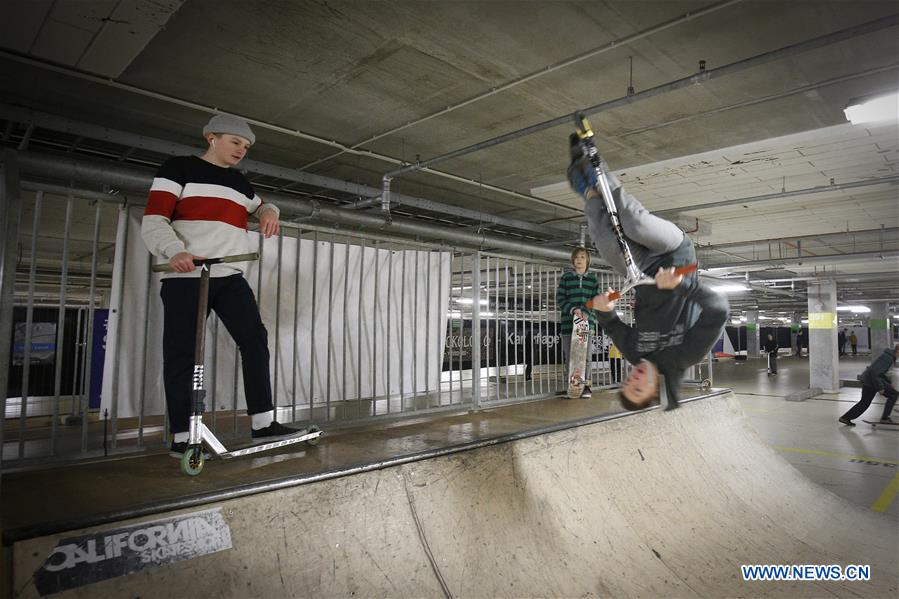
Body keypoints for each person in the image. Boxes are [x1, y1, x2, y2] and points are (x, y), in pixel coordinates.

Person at [142, 114, 306, 457]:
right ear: (212, 138)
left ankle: (263, 423)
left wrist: (269, 213)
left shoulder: (239, 183)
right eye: (235, 142)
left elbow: (263, 204)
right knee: (182, 355)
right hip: (186, 276)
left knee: (255, 340)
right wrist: (174, 250)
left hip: (229, 275)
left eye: (246, 146)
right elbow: (155, 219)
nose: (241, 150)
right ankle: (182, 436)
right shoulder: (178, 168)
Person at [567, 135, 729, 410]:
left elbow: (612, 325)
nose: (634, 378)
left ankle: (587, 188)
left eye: (628, 383)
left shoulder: (634, 353)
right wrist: (681, 285)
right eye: (639, 387)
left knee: (604, 241)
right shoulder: (684, 356)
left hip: (641, 270)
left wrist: (605, 309)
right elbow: (718, 310)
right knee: (634, 223)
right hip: (676, 253)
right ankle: (597, 167)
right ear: (655, 390)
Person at [556, 247, 600, 398]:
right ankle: (572, 387)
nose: (579, 260)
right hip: (568, 324)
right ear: (572, 261)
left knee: (585, 357)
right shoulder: (566, 278)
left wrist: (586, 312)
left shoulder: (593, 279)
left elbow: (596, 299)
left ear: (587, 260)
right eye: (576, 257)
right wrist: (573, 309)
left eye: (582, 257)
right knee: (570, 357)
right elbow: (560, 299)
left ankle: (585, 387)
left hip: (586, 324)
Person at [839, 344, 898, 426]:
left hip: (872, 380)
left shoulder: (889, 356)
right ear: (898, 351)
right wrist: (880, 388)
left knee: (866, 402)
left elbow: (880, 373)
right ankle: (884, 418)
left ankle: (845, 418)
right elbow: (875, 372)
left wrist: (888, 383)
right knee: (866, 402)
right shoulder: (888, 358)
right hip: (870, 381)